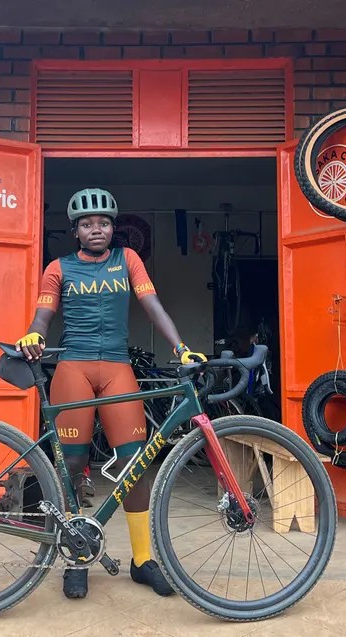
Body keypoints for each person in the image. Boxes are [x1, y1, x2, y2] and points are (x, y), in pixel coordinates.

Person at [16, 188, 206, 599]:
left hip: (118, 367)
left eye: (103, 222)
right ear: (75, 231)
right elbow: (43, 314)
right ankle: (76, 558)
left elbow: (153, 305)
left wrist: (180, 347)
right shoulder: (58, 267)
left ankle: (143, 560)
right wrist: (34, 333)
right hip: (74, 367)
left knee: (134, 463)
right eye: (87, 224)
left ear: (113, 227)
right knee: (72, 463)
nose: (96, 229)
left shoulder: (128, 259)